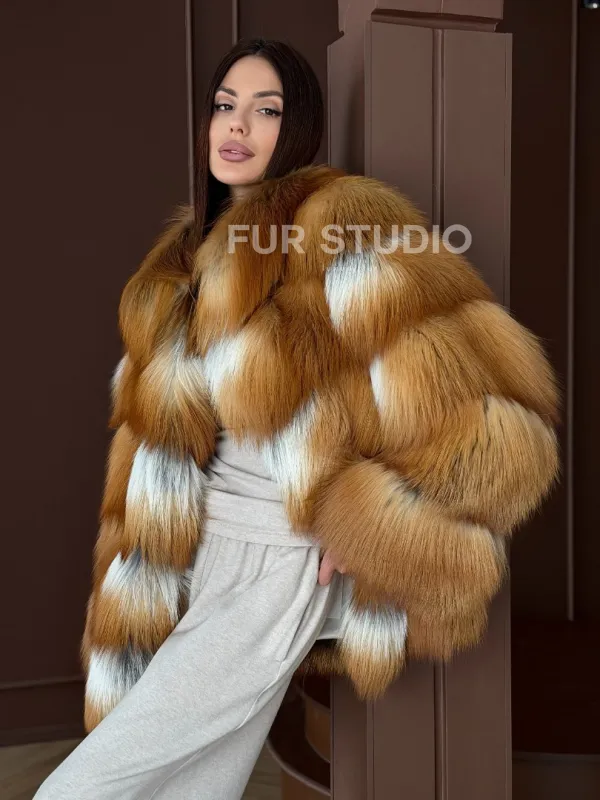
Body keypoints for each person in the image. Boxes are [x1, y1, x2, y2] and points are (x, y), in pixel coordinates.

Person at [35, 36, 560, 800]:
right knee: (196, 787)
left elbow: (494, 427)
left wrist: (372, 522)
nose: (237, 125)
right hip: (193, 555)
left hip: (274, 560)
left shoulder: (340, 226)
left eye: (266, 110)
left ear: (299, 128)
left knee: (84, 789)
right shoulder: (181, 260)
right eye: (225, 105)